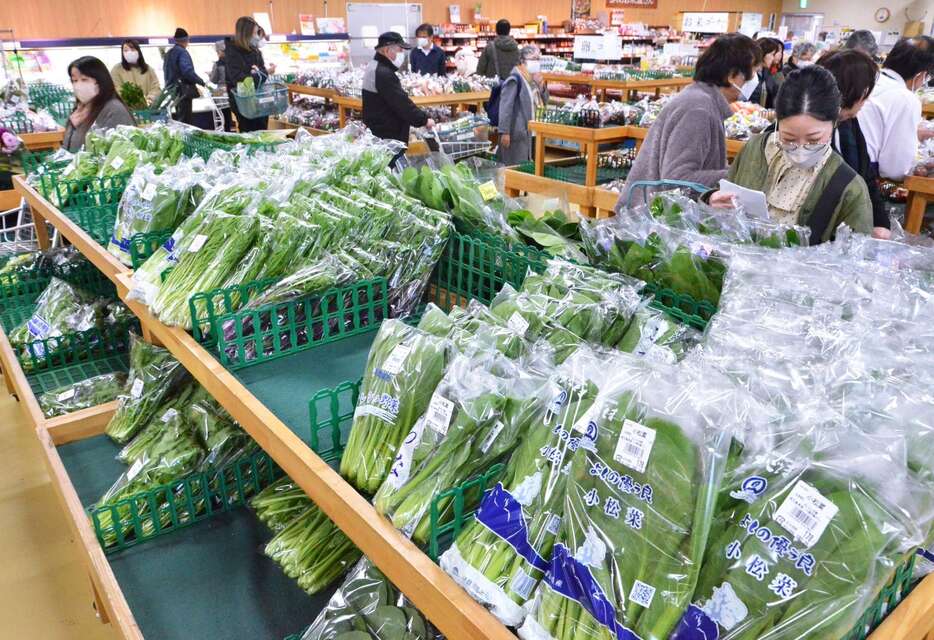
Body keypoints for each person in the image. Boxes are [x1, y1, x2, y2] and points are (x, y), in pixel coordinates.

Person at [706, 66, 872, 244]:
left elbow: (856, 259)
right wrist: (713, 200)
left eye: (813, 140)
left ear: (834, 123)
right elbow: (727, 201)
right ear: (777, 122)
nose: (800, 150)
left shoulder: (849, 188)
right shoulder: (755, 149)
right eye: (788, 138)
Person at [618, 33, 762, 205]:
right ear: (732, 76)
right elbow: (677, 179)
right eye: (754, 72)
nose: (755, 79)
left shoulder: (703, 100)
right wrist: (738, 174)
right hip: (653, 219)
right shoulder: (698, 109)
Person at [819, 49, 889, 238]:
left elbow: (865, 177)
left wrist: (881, 223)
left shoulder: (850, 123)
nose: (866, 100)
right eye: (866, 92)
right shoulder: (811, 128)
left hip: (849, 230)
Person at [857, 36, 934, 181]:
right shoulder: (905, 98)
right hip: (861, 176)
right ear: (921, 75)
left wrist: (914, 134)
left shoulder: (869, 77)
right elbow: (895, 170)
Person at [362, 32, 434, 164]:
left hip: (378, 130)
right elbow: (402, 104)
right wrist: (424, 120)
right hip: (388, 135)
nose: (402, 54)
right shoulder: (383, 73)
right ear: (386, 50)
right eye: (400, 50)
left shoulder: (374, 66)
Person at [62, 56, 135, 152]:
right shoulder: (80, 110)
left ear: (100, 81)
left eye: (84, 79)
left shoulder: (113, 109)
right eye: (74, 80)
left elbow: (119, 150)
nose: (78, 85)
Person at [497, 45, 548, 166]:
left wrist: (541, 86)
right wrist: (504, 132)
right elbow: (505, 107)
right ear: (522, 61)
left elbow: (545, 101)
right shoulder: (515, 79)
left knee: (532, 166)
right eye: (533, 59)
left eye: (538, 59)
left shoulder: (534, 79)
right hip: (518, 132)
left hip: (535, 131)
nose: (536, 62)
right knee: (516, 167)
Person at [225, 16, 273, 132]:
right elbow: (238, 79)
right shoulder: (233, 53)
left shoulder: (255, 51)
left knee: (262, 132)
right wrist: (263, 73)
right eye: (255, 33)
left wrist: (261, 73)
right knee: (248, 133)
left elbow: (261, 73)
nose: (257, 37)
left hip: (259, 99)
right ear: (246, 33)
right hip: (243, 103)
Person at [163, 27, 205, 125]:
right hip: (183, 91)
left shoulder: (169, 53)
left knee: (179, 118)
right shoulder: (182, 52)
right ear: (186, 40)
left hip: (173, 90)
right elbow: (187, 71)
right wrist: (200, 81)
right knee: (185, 121)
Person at [110, 39, 161, 105]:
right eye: (125, 50)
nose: (129, 52)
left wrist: (149, 99)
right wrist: (131, 100)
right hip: (127, 110)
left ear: (138, 51)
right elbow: (116, 89)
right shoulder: (116, 70)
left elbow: (156, 88)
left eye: (132, 49)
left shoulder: (148, 69)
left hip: (147, 108)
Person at [749, 37, 783, 108]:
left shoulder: (766, 72)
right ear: (763, 53)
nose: (773, 58)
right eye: (772, 54)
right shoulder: (750, 73)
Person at [209, 40, 233, 131]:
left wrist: (210, 75)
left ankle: (226, 132)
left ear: (219, 51)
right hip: (233, 91)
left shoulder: (217, 64)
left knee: (224, 115)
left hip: (222, 93)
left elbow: (213, 80)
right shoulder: (234, 62)